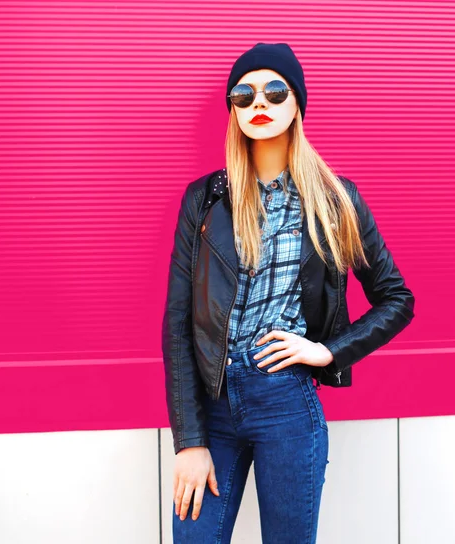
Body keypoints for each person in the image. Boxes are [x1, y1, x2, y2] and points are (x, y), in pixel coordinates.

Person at [162, 42, 415, 544]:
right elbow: (178, 324)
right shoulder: (205, 199)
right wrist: (189, 440)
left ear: (296, 103)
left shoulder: (335, 199)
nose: (259, 103)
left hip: (286, 404)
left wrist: (327, 352)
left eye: (274, 92)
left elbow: (396, 297)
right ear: (233, 109)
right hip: (213, 406)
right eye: (244, 93)